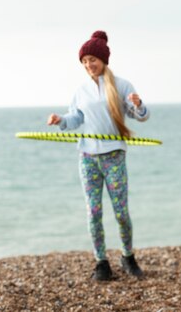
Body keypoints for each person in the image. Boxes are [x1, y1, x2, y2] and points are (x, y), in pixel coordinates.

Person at [47, 30, 149, 281]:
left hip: (114, 155)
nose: (88, 65)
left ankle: (128, 257)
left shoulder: (122, 85)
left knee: (121, 212)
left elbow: (142, 116)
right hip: (87, 156)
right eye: (84, 61)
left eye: (92, 59)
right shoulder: (80, 90)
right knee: (93, 212)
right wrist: (61, 120)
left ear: (103, 59)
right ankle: (101, 262)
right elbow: (76, 118)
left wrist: (138, 105)